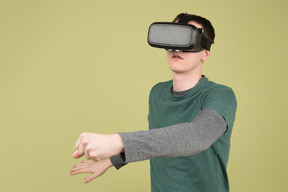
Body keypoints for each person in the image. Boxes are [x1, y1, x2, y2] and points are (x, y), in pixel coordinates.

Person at [70, 13, 237, 192]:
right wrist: (113, 160)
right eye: (172, 39)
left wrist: (119, 141)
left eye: (187, 40)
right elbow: (161, 141)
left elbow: (196, 137)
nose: (176, 48)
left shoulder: (220, 95)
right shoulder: (157, 93)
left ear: (205, 53)